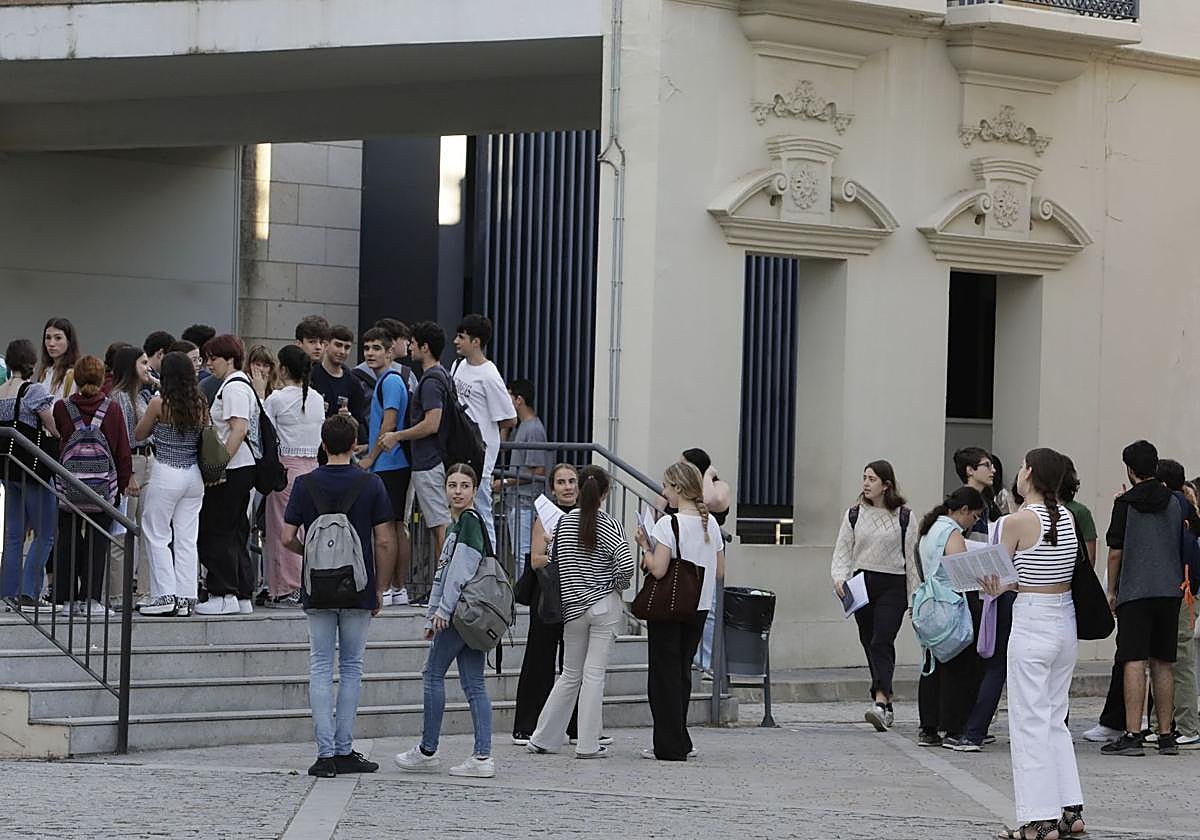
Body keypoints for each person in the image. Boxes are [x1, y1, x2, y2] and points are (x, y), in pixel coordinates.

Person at [282, 414, 395, 778]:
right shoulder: (372, 484)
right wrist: (378, 587)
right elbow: (383, 539)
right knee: (351, 667)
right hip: (358, 586)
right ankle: (345, 749)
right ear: (355, 444)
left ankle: (324, 753)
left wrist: (309, 556)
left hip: (317, 587)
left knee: (319, 666)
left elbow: (285, 537)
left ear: (324, 444)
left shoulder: (303, 484)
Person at [981, 448, 1083, 840]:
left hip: (1033, 620)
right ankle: (1069, 809)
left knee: (1029, 721)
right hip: (1064, 620)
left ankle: (1039, 819)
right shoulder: (1068, 518)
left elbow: (998, 575)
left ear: (1031, 474)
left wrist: (988, 583)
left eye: (1024, 466)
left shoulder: (1016, 521)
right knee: (1055, 717)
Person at [394, 464, 495, 778]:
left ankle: (428, 749)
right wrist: (433, 612)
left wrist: (440, 612)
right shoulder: (461, 523)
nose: (458, 491)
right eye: (453, 485)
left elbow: (458, 573)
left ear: (475, 490)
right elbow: (445, 574)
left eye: (465, 485)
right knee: (474, 683)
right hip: (470, 615)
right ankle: (481, 756)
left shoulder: (466, 523)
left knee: (433, 674)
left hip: (458, 614)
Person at [526, 465, 633, 759]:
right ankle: (587, 743)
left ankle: (543, 737)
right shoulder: (610, 524)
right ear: (605, 492)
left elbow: (555, 561)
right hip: (603, 604)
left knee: (569, 674)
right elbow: (626, 565)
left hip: (572, 608)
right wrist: (615, 586)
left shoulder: (565, 522)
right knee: (594, 674)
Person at [1098, 440, 1183, 757]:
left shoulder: (1125, 504)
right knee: (1164, 661)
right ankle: (1166, 735)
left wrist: (1112, 590)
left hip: (1135, 592)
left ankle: (1133, 733)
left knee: (1134, 659)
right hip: (1168, 590)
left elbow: (1116, 551)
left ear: (1130, 470)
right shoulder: (1175, 503)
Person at [634, 461, 722, 761]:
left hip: (670, 606)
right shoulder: (710, 524)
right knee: (682, 672)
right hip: (699, 605)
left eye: (667, 486)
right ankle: (681, 739)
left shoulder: (667, 524)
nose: (664, 492)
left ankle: (668, 744)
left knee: (663, 676)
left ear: (679, 489)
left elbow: (658, 570)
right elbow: (720, 570)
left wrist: (645, 547)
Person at [831, 460, 919, 732]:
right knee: (869, 641)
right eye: (864, 478)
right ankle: (886, 702)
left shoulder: (904, 516)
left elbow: (913, 560)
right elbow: (844, 548)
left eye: (872, 479)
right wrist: (839, 577)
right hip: (861, 581)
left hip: (893, 583)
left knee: (883, 638)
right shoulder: (854, 514)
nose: (866, 483)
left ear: (886, 484)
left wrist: (915, 597)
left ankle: (880, 700)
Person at [52, 356, 132, 617]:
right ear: (101, 380)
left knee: (68, 539)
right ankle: (92, 601)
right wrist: (121, 486)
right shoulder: (112, 409)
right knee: (97, 543)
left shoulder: (62, 408)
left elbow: (61, 440)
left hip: (69, 486)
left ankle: (65, 600)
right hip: (102, 489)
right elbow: (122, 451)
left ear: (75, 379)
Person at [512, 463, 581, 745]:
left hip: (577, 596)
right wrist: (562, 551)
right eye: (561, 482)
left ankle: (576, 727)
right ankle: (526, 725)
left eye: (572, 481)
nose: (567, 487)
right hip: (548, 597)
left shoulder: (586, 517)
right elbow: (536, 560)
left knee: (574, 663)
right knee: (539, 659)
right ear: (552, 488)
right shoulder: (546, 518)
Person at [133, 351, 206, 616]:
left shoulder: (158, 403)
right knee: (187, 537)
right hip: (194, 475)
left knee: (156, 533)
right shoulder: (200, 402)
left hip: (166, 470)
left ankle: (164, 595)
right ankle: (187, 598)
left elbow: (139, 434)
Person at [914, 486, 985, 749]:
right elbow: (961, 570)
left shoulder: (929, 528)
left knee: (932, 663)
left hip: (930, 604)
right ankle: (955, 728)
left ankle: (928, 727)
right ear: (964, 510)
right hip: (952, 603)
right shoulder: (951, 531)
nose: (974, 522)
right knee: (961, 666)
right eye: (975, 516)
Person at [196, 335, 260, 616]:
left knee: (217, 530)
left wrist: (218, 464)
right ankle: (242, 593)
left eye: (214, 358)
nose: (209, 363)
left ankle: (223, 592)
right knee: (235, 531)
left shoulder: (233, 387)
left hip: (232, 469)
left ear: (229, 359)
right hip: (241, 468)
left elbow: (238, 429)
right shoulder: (241, 384)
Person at [381, 321, 452, 564]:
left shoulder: (431, 381)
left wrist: (397, 435)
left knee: (439, 524)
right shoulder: (442, 376)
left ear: (425, 347)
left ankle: (445, 583)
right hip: (435, 459)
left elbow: (432, 423)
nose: (410, 347)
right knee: (440, 523)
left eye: (413, 343)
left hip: (429, 461)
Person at [262, 345, 324, 607]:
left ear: (283, 368)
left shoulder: (276, 398)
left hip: (286, 468)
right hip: (313, 467)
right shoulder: (317, 398)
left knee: (282, 528)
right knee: (309, 528)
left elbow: (265, 434)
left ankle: (287, 587)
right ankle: (309, 582)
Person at [0, 339, 58, 606]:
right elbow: (52, 426)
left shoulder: (1, 390)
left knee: (13, 535)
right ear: (31, 362)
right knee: (45, 532)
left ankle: (7, 592)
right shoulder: (33, 391)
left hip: (8, 469)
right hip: (32, 469)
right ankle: (28, 592)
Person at [357, 327, 412, 607]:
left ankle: (388, 588)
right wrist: (367, 448)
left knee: (386, 530)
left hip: (390, 465)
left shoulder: (390, 381)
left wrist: (370, 457)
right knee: (396, 526)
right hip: (392, 463)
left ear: (390, 351)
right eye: (366, 348)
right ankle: (397, 588)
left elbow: (390, 424)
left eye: (376, 348)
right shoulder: (391, 380)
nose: (370, 353)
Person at [452, 314, 517, 545]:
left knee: (481, 509)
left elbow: (510, 417)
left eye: (461, 337)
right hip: (459, 447)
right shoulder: (458, 365)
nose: (456, 341)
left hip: (480, 453)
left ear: (476, 341)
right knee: (459, 507)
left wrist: (483, 430)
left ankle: (491, 564)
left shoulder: (490, 375)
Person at [1154, 458, 1200, 749]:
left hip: (1181, 592)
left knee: (1180, 658)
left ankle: (1187, 725)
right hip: (1181, 590)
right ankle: (1172, 722)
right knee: (1173, 658)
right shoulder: (1184, 507)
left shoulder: (1175, 508)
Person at [106, 346, 153, 604]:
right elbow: (121, 440)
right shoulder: (119, 397)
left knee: (148, 529)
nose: (148, 367)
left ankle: (144, 591)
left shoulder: (142, 397)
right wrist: (128, 475)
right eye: (143, 362)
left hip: (149, 458)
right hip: (131, 462)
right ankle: (116, 594)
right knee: (122, 531)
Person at [493, 378, 547, 576]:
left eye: (508, 397)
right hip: (517, 500)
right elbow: (502, 447)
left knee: (523, 553)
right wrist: (505, 424)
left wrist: (506, 482)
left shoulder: (532, 428)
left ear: (518, 400)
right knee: (518, 552)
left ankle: (524, 597)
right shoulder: (521, 426)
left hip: (525, 501)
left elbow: (538, 470)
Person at [309, 324, 369, 432]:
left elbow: (358, 424)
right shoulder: (311, 375)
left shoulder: (353, 383)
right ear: (326, 345)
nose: (342, 351)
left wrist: (348, 417)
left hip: (339, 445)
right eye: (338, 345)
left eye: (347, 347)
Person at [953, 446, 995, 539]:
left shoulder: (987, 501)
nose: (993, 470)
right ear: (970, 470)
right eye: (986, 465)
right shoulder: (962, 500)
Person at [36, 317, 80, 400]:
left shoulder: (74, 374)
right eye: (48, 338)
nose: (51, 343)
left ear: (69, 341)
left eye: (58, 338)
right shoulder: (45, 372)